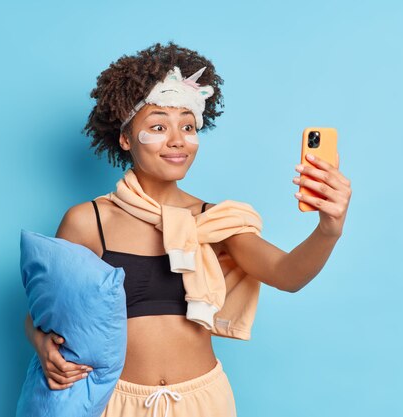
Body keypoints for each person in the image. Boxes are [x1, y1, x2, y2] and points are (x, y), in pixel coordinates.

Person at [24, 41, 352, 417]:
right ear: (126, 137)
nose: (177, 140)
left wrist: (330, 228)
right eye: (159, 126)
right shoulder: (89, 221)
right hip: (116, 402)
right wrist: (40, 342)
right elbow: (43, 310)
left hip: (203, 401)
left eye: (188, 125)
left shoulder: (216, 222)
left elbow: (288, 274)